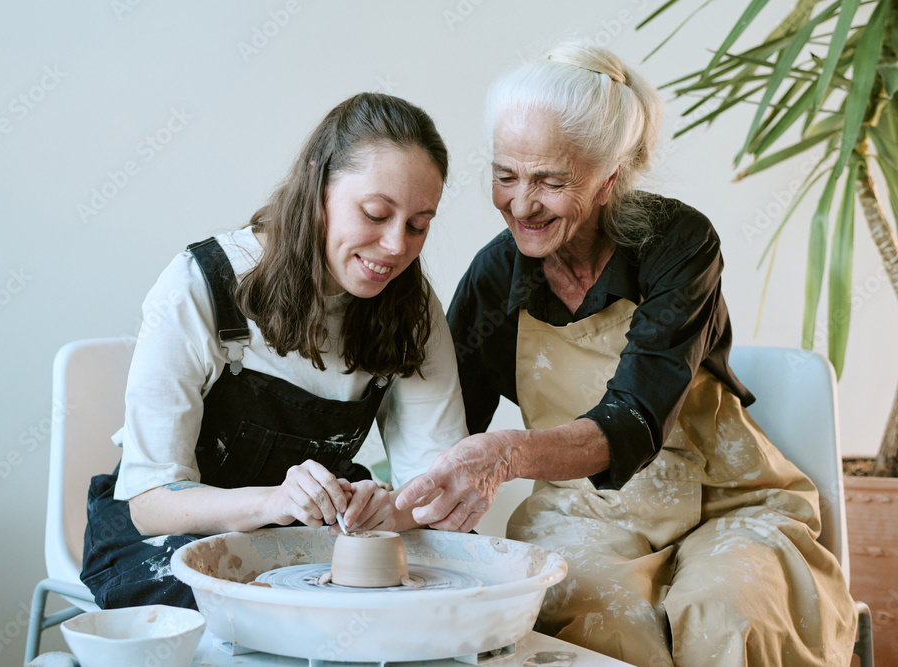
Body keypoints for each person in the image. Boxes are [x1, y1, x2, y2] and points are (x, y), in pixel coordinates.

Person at [396, 43, 857, 666]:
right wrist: (393, 500)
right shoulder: (493, 278)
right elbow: (446, 430)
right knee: (595, 622)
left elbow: (635, 416)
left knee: (727, 612)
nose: (521, 203)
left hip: (724, 499)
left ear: (610, 176)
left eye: (550, 182)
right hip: (581, 510)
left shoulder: (679, 243)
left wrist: (506, 455)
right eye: (506, 174)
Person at [81, 92, 468, 610]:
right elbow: (150, 502)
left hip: (304, 543)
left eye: (419, 224)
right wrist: (274, 501)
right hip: (166, 537)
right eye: (376, 214)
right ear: (318, 184)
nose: (397, 245)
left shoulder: (411, 308)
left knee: (418, 596)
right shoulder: (203, 285)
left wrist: (387, 508)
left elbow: (433, 491)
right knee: (260, 609)